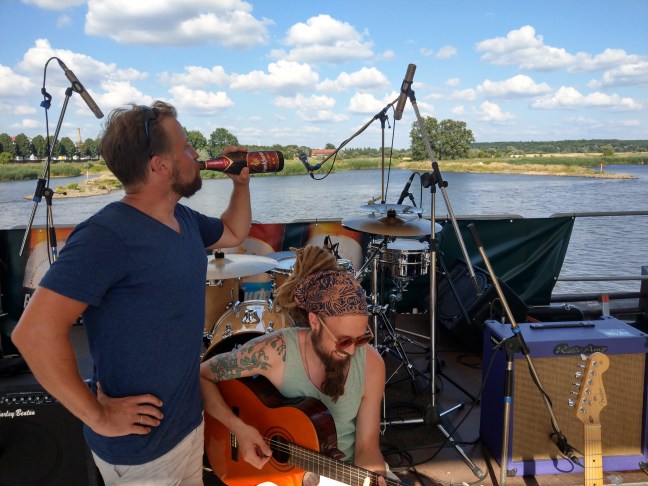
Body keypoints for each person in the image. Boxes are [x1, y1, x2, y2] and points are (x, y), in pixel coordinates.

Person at [12, 101, 251, 485]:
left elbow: (235, 231)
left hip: (187, 425)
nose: (196, 154)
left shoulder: (183, 219)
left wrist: (241, 185)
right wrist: (97, 416)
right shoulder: (105, 236)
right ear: (159, 165)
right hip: (141, 454)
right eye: (186, 147)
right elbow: (33, 334)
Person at [200, 245, 396, 486]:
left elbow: (367, 447)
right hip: (273, 475)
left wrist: (372, 476)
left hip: (341, 473)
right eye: (343, 340)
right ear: (315, 322)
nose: (352, 350)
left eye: (362, 338)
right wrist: (239, 429)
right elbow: (202, 376)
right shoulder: (276, 351)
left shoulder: (371, 365)